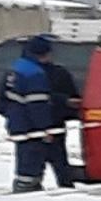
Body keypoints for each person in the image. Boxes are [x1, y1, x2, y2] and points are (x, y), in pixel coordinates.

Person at [4, 36, 60, 193]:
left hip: (17, 123)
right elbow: (37, 105)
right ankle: (27, 191)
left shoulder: (16, 68)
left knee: (23, 158)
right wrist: (45, 129)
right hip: (31, 127)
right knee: (32, 161)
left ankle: (24, 185)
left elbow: (3, 99)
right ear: (42, 54)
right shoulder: (35, 74)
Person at [42, 51, 80, 189]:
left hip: (46, 122)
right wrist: (66, 102)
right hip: (52, 121)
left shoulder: (58, 73)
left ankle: (31, 186)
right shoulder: (58, 73)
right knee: (58, 159)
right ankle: (65, 184)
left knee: (54, 158)